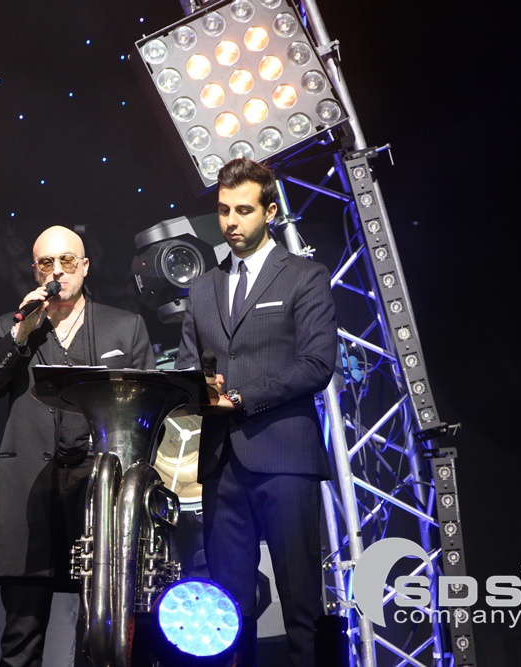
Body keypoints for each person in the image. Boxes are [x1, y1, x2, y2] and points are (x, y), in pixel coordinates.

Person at [175, 158, 337, 667]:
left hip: (285, 457)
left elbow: (317, 364)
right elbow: (185, 367)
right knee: (227, 613)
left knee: (302, 607)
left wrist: (242, 397)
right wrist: (199, 388)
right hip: (221, 465)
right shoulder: (203, 288)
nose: (231, 221)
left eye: (243, 210)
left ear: (269, 211)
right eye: (224, 210)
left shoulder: (305, 276)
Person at [0, 225, 155, 667]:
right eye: (46, 263)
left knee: (99, 633)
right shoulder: (12, 326)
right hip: (31, 493)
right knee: (21, 637)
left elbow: (150, 412)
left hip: (99, 496)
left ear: (84, 266)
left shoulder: (124, 327)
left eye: (67, 261)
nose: (57, 271)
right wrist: (20, 335)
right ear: (35, 271)